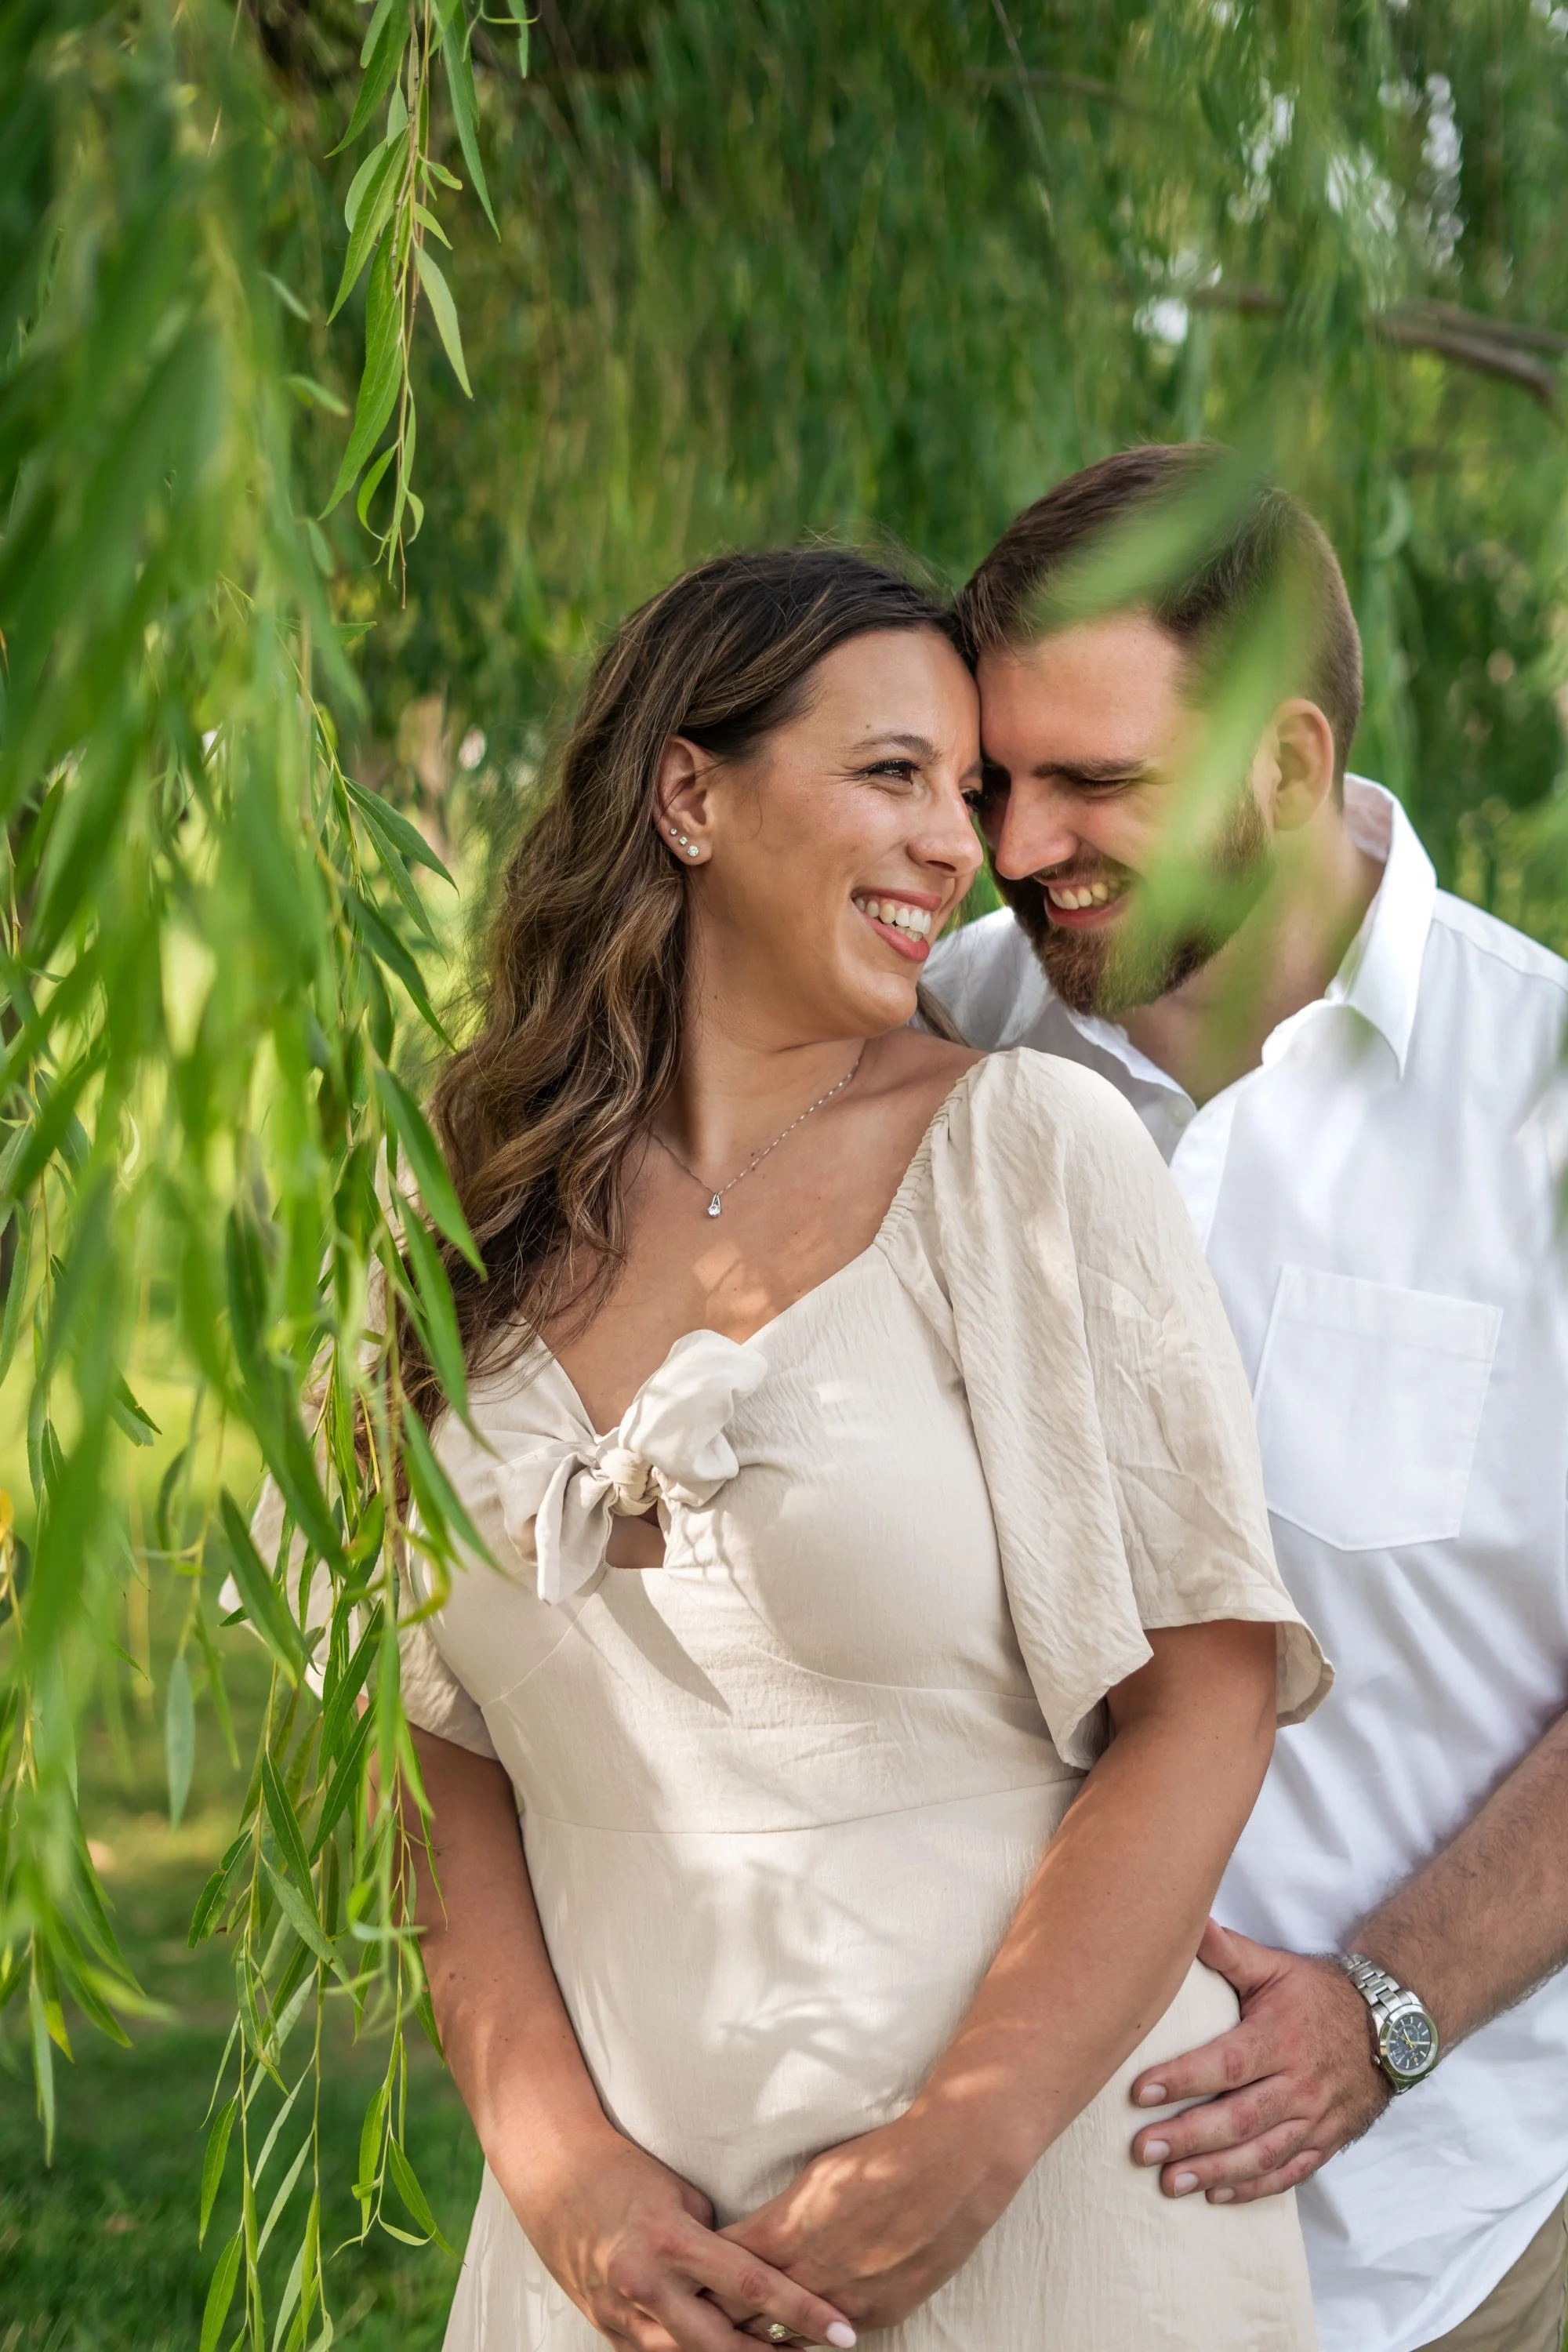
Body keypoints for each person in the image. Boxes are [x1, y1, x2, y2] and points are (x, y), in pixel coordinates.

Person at [390, 547, 1329, 2351]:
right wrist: (557, 2169)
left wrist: (964, 2148)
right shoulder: (462, 1214)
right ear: (687, 792)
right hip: (617, 2264)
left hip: (1037, 2220)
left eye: (966, 797)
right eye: (896, 774)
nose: (962, 848)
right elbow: (423, 1752)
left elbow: (1202, 1702)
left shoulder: (1027, 1152)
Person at [926, 442, 1568, 2352]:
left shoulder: (1541, 1103)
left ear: (1284, 768)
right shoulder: (931, 1039)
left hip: (1449, 2242)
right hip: (1007, 2241)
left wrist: (1387, 2011)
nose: (1019, 848)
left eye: (1097, 784)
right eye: (993, 784)